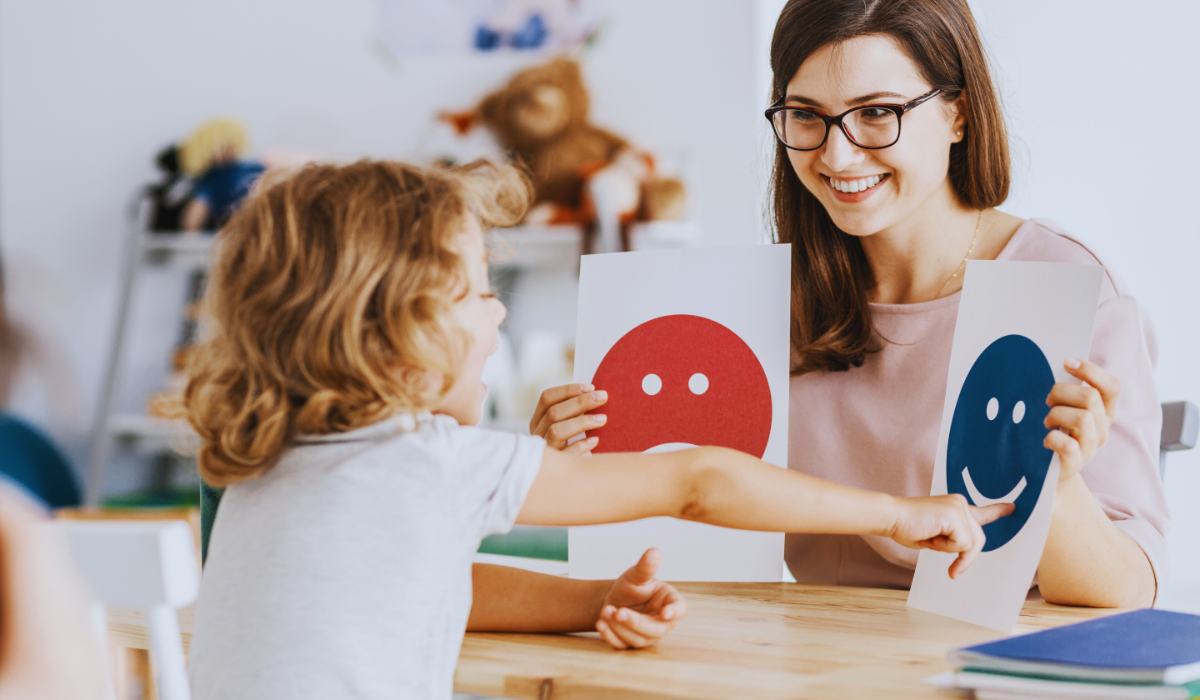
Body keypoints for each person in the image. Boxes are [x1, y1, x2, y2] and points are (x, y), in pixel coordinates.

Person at [181, 159, 1007, 699]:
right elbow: (696, 481)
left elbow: (430, 584)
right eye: (474, 291)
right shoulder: (431, 464)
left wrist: (595, 599)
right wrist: (896, 513)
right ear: (391, 334)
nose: (497, 309)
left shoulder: (267, 471)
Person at [533, 0, 1167, 609]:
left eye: (877, 113)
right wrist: (575, 470)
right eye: (806, 115)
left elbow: (1127, 592)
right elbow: (691, 525)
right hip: (818, 653)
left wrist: (1056, 479)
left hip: (995, 660)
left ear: (958, 114)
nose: (836, 155)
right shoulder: (755, 307)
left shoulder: (1065, 287)